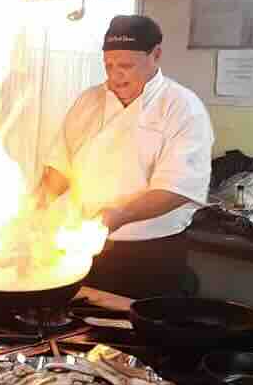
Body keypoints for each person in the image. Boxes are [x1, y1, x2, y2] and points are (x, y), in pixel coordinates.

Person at [37, 15, 214, 299]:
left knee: (136, 335)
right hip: (85, 248)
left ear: (155, 55)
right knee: (82, 329)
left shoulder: (182, 107)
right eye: (109, 65)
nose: (115, 75)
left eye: (126, 66)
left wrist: (119, 215)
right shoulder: (89, 100)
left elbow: (176, 189)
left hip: (150, 255)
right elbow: (61, 165)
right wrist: (36, 205)